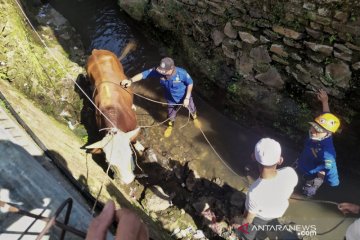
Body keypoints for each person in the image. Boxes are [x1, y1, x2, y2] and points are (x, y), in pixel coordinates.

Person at [121, 57, 199, 137]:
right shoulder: (158, 71)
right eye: (161, 69)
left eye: (164, 70)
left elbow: (190, 83)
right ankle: (170, 126)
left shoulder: (182, 73)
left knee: (192, 109)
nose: (161, 72)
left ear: (171, 69)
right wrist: (130, 81)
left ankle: (195, 118)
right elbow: (143, 74)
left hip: (185, 97)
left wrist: (187, 97)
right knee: (171, 115)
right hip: (170, 100)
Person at [236, 138, 298, 240]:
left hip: (260, 217)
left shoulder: (254, 191)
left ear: (253, 157)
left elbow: (248, 219)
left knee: (250, 230)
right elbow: (288, 193)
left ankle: (246, 237)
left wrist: (241, 227)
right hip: (277, 212)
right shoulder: (290, 172)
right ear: (280, 160)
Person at [297, 89, 341, 197]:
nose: (314, 131)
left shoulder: (328, 154)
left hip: (311, 174)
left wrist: (332, 182)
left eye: (319, 131)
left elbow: (331, 170)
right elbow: (326, 116)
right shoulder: (322, 133)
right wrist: (325, 101)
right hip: (304, 161)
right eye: (314, 127)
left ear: (328, 134)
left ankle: (309, 191)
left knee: (306, 192)